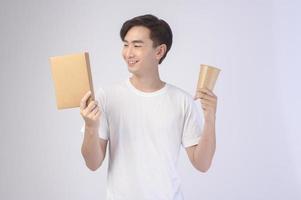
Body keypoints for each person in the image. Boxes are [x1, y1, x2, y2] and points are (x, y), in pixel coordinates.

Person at [80, 14, 217, 200]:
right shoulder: (107, 96)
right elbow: (93, 163)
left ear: (159, 51)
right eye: (125, 44)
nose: (128, 53)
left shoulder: (181, 101)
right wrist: (90, 127)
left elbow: (202, 164)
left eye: (136, 45)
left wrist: (210, 117)